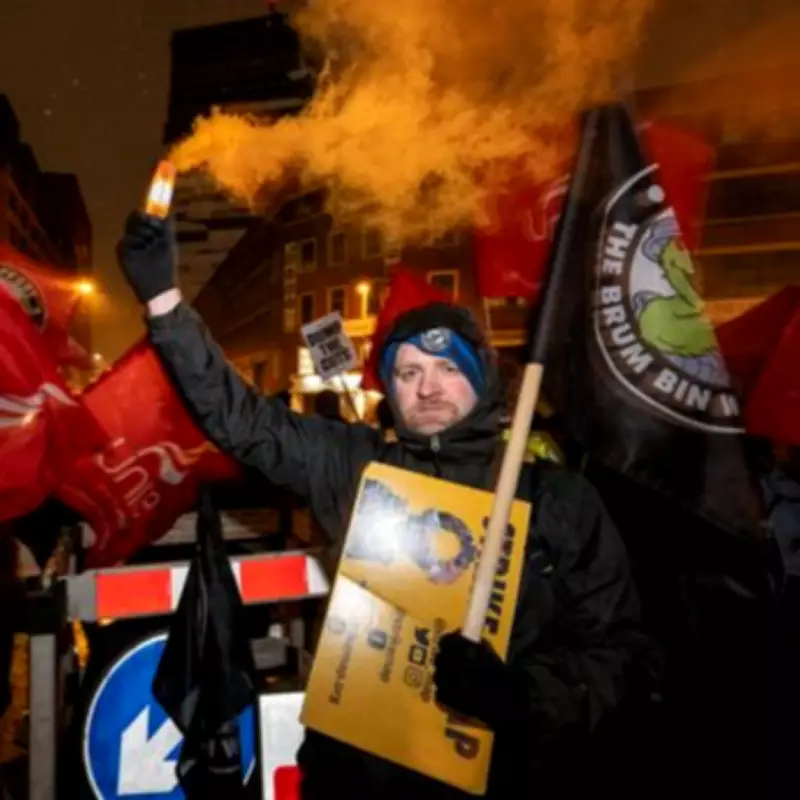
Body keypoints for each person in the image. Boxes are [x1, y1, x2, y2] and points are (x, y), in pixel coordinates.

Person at [117, 212, 650, 799]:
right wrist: (164, 302)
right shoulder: (356, 467)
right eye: (409, 371)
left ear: (483, 382)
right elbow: (242, 420)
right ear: (389, 390)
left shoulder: (555, 498)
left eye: (449, 368)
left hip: (504, 777)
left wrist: (522, 696)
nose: (428, 387)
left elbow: (617, 651)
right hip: (357, 780)